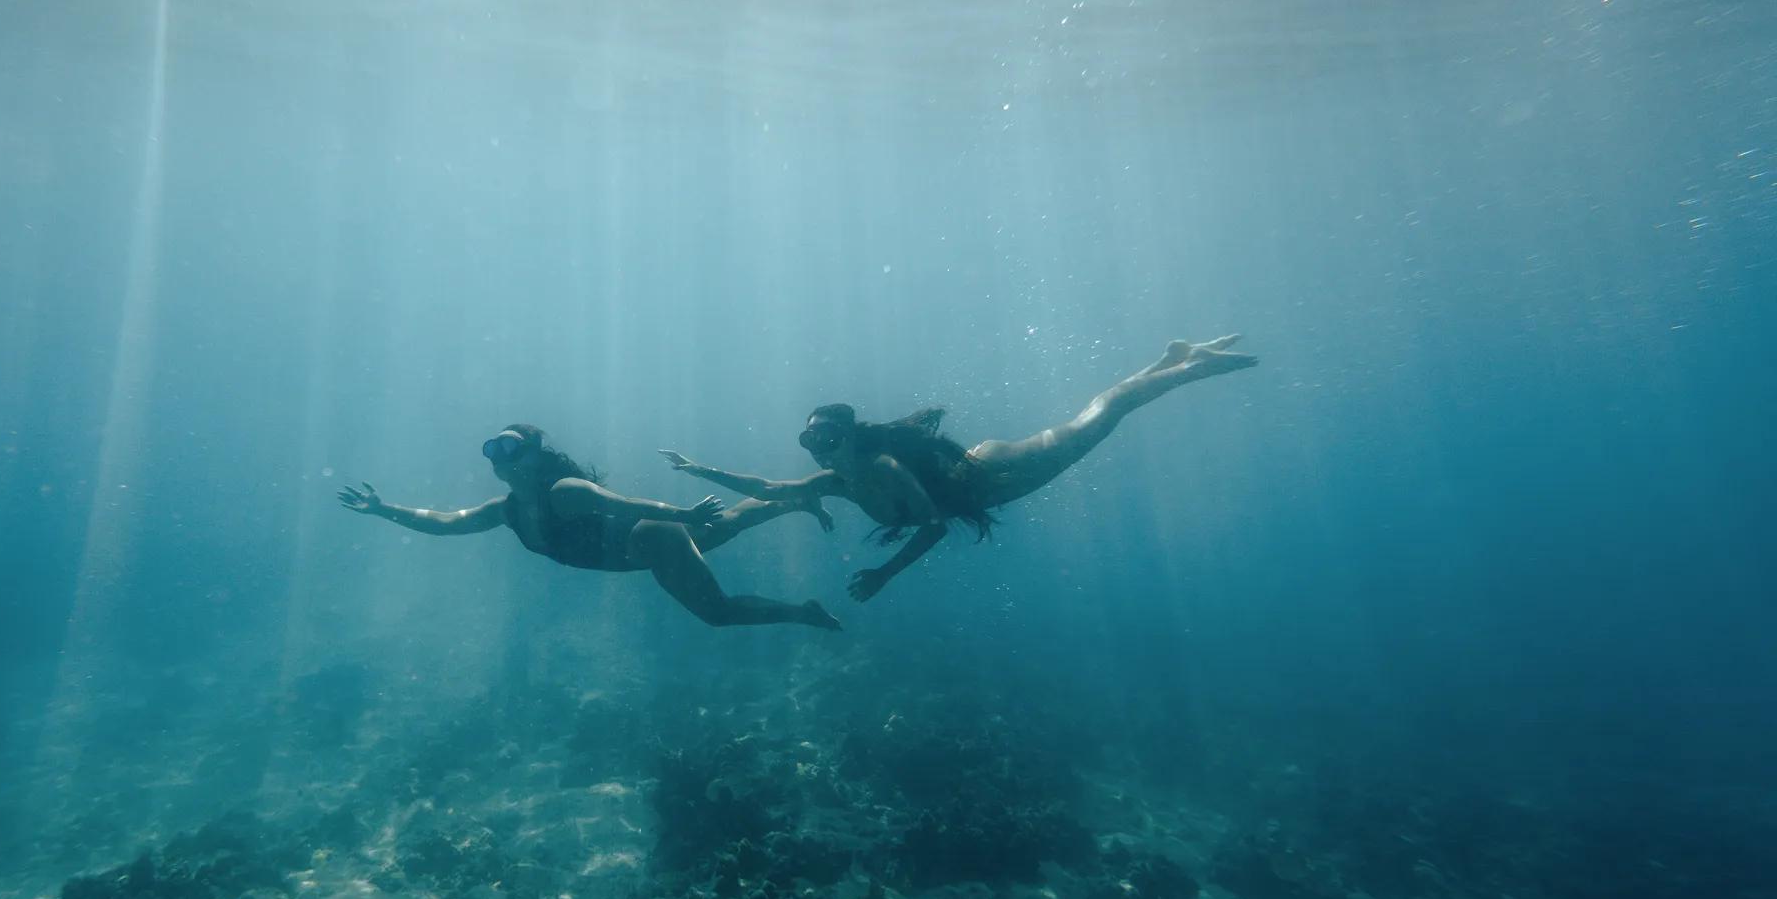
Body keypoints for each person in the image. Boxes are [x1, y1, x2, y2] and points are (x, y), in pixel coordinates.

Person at [659, 335, 1256, 602]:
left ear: (850, 436)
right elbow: (767, 488)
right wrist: (695, 469)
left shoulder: (884, 467)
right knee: (1092, 422)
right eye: (808, 438)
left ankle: (1190, 368)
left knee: (1096, 421)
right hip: (979, 475)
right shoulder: (837, 481)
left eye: (826, 437)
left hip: (998, 474)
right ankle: (1170, 358)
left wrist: (885, 573)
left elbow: (934, 526)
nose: (817, 448)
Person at [339, 424, 841, 630]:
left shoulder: (563, 490)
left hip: (652, 538)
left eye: (511, 448)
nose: (500, 459)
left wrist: (684, 516)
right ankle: (797, 499)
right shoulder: (505, 509)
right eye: (493, 451)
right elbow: (447, 523)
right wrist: (383, 509)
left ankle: (803, 613)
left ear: (535, 457)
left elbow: (624, 504)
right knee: (727, 526)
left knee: (717, 612)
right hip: (642, 548)